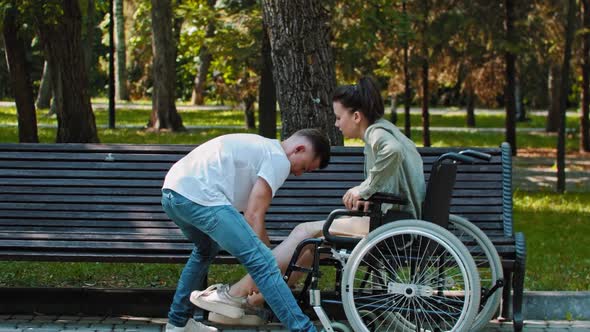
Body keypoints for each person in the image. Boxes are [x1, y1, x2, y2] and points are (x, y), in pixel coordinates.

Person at [193, 76, 426, 326]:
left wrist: (364, 189)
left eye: (339, 117)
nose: (336, 124)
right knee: (308, 247)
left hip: (391, 225)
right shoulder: (383, 130)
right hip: (394, 219)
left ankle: (234, 295)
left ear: (356, 116)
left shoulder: (377, 133)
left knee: (303, 230)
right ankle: (252, 304)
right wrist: (371, 194)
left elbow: (393, 152)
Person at [161, 129, 331, 332]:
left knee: (205, 249)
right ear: (299, 149)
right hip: (201, 196)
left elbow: (253, 216)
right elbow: (253, 216)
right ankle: (305, 330)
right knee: (265, 263)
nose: (299, 173)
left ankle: (177, 324)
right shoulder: (279, 158)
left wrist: (268, 254)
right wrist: (271, 262)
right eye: (304, 167)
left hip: (173, 193)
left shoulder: (263, 147)